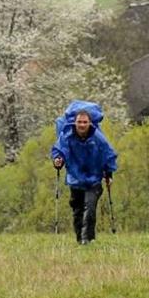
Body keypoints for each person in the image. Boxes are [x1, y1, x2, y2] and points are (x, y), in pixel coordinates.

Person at [50, 102, 118, 244]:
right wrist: (58, 161)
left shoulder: (98, 138)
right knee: (78, 209)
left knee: (90, 207)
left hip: (94, 179)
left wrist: (109, 174)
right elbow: (59, 150)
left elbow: (108, 154)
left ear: (90, 123)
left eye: (85, 122)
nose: (82, 125)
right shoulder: (67, 136)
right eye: (79, 122)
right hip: (75, 179)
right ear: (74, 122)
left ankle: (88, 239)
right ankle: (80, 239)